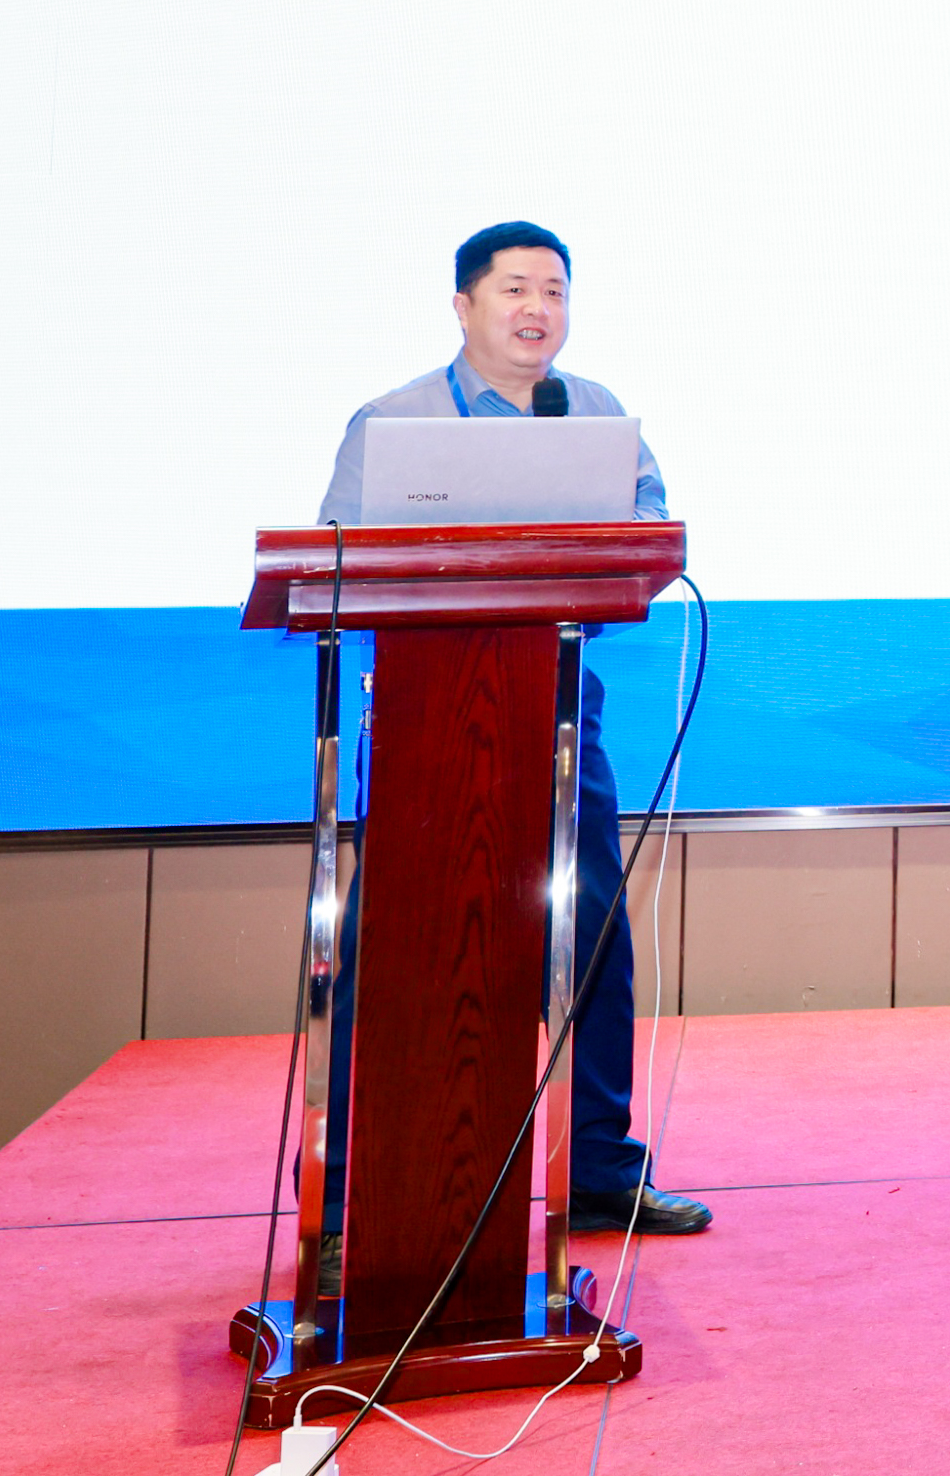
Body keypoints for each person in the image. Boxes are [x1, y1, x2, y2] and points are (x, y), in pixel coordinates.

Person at [317, 220, 713, 1237]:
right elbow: (333, 559)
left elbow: (649, 535)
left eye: (554, 290)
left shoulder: (597, 414)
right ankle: (361, 1185)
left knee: (591, 934)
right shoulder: (392, 421)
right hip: (424, 711)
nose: (538, 308)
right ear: (464, 304)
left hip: (558, 701)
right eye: (515, 289)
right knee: (393, 945)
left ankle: (599, 1169)